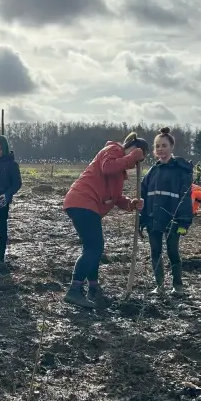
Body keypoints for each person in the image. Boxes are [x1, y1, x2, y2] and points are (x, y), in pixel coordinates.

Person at [62, 132, 148, 308]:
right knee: (95, 247)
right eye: (139, 157)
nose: (135, 164)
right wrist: (132, 157)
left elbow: (115, 198)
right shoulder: (113, 149)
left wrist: (131, 204)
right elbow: (107, 167)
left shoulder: (119, 173)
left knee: (92, 248)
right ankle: (74, 289)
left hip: (86, 206)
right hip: (83, 201)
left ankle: (93, 287)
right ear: (133, 147)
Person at [140, 127, 192, 296]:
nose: (160, 149)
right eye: (157, 146)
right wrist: (142, 219)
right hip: (153, 219)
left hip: (173, 220)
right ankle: (159, 286)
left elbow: (185, 197)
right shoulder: (151, 172)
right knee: (155, 252)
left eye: (164, 145)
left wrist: (184, 221)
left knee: (173, 252)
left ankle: (177, 286)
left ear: (171, 147)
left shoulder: (181, 171)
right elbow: (143, 198)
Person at [0, 135, 22, 265]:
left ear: (4, 148)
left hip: (3, 200)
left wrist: (7, 194)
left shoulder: (12, 164)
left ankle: (0, 255)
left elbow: (17, 183)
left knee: (2, 228)